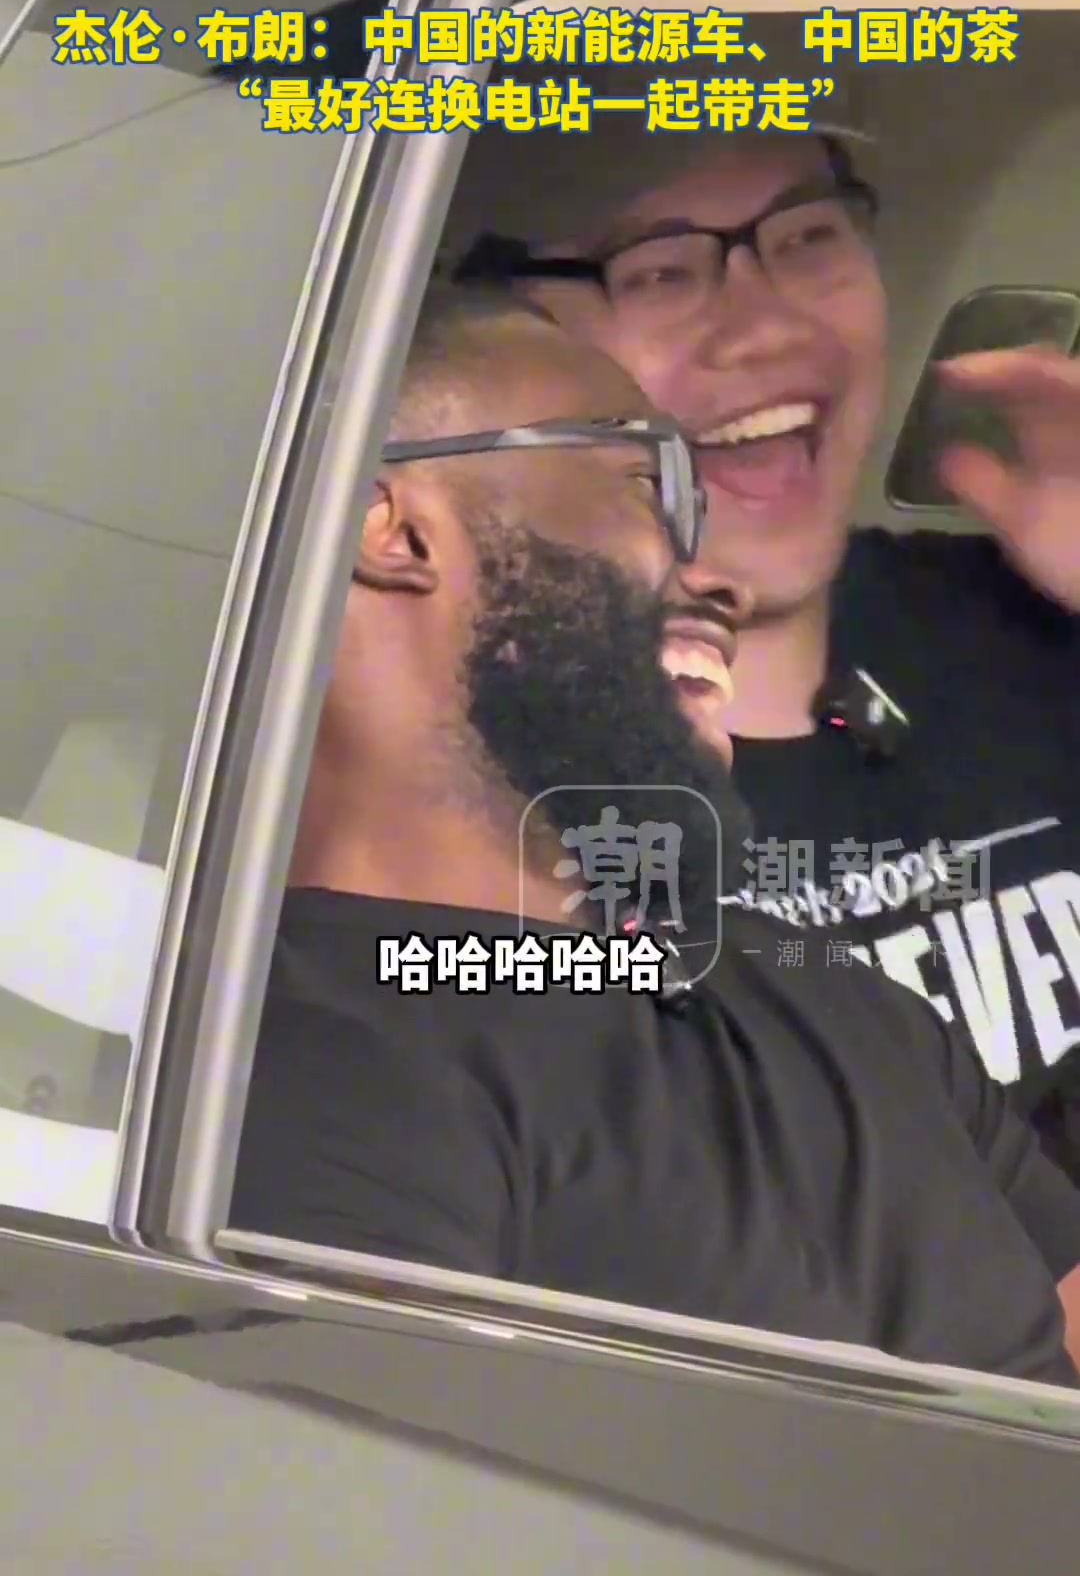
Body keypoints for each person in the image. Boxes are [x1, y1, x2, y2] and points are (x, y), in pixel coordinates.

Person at [233, 280, 1080, 1387]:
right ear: (392, 531)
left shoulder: (823, 995)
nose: (717, 577)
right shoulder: (309, 1072)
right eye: (647, 484)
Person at [452, 127, 1080, 1179]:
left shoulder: (1031, 613)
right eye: (658, 270)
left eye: (808, 235)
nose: (767, 326)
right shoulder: (469, 787)